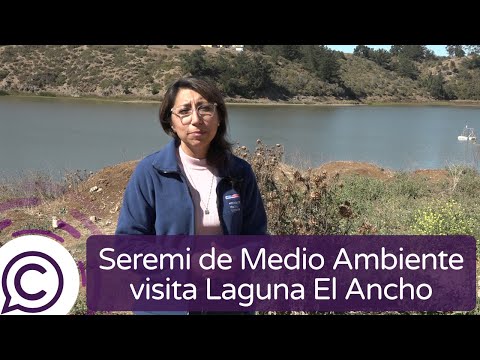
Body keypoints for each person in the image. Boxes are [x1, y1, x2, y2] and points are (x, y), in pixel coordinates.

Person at [115, 76, 267, 314]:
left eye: (205, 108)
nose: (196, 120)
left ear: (219, 117)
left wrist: (232, 259)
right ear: (171, 122)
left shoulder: (239, 172)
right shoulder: (151, 172)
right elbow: (127, 245)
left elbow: (258, 240)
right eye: (184, 111)